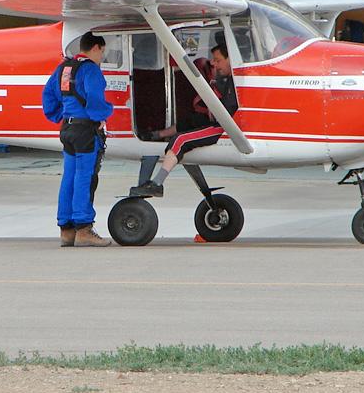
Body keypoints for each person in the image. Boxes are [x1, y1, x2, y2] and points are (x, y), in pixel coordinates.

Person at [131, 43, 238, 198]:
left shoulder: (233, 82)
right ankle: (156, 134)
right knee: (192, 120)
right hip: (219, 122)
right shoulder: (226, 80)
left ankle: (157, 183)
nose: (213, 63)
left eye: (218, 60)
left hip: (224, 127)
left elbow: (227, 112)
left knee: (181, 140)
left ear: (230, 59)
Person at [42, 33, 114, 247]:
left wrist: (60, 115)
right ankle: (83, 229)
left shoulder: (63, 68)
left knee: (69, 176)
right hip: (85, 132)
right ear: (96, 48)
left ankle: (66, 230)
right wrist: (101, 116)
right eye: (102, 51)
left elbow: (48, 94)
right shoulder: (90, 69)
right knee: (85, 177)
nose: (102, 56)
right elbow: (95, 98)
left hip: (67, 129)